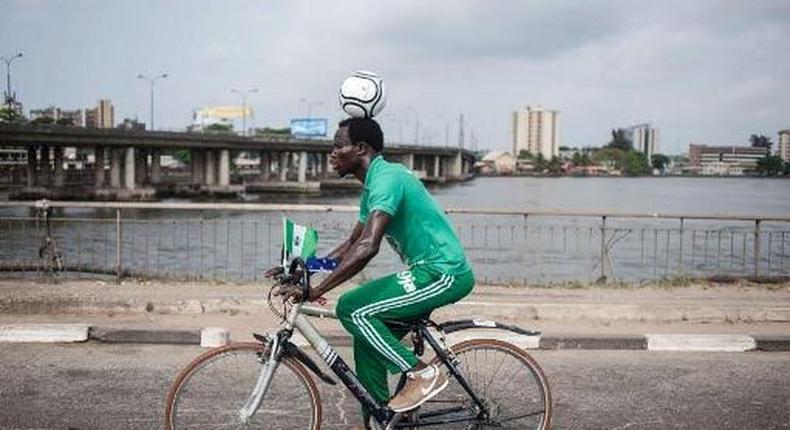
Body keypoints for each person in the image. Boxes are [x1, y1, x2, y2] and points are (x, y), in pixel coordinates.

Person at [273, 117, 474, 429]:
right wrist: (303, 269)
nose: (332, 153)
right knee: (365, 343)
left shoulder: (387, 179)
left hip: (444, 272)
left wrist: (317, 291)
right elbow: (351, 243)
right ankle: (383, 421)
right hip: (426, 272)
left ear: (361, 148)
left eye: (338, 146)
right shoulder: (373, 187)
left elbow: (367, 246)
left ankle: (422, 373)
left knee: (352, 308)